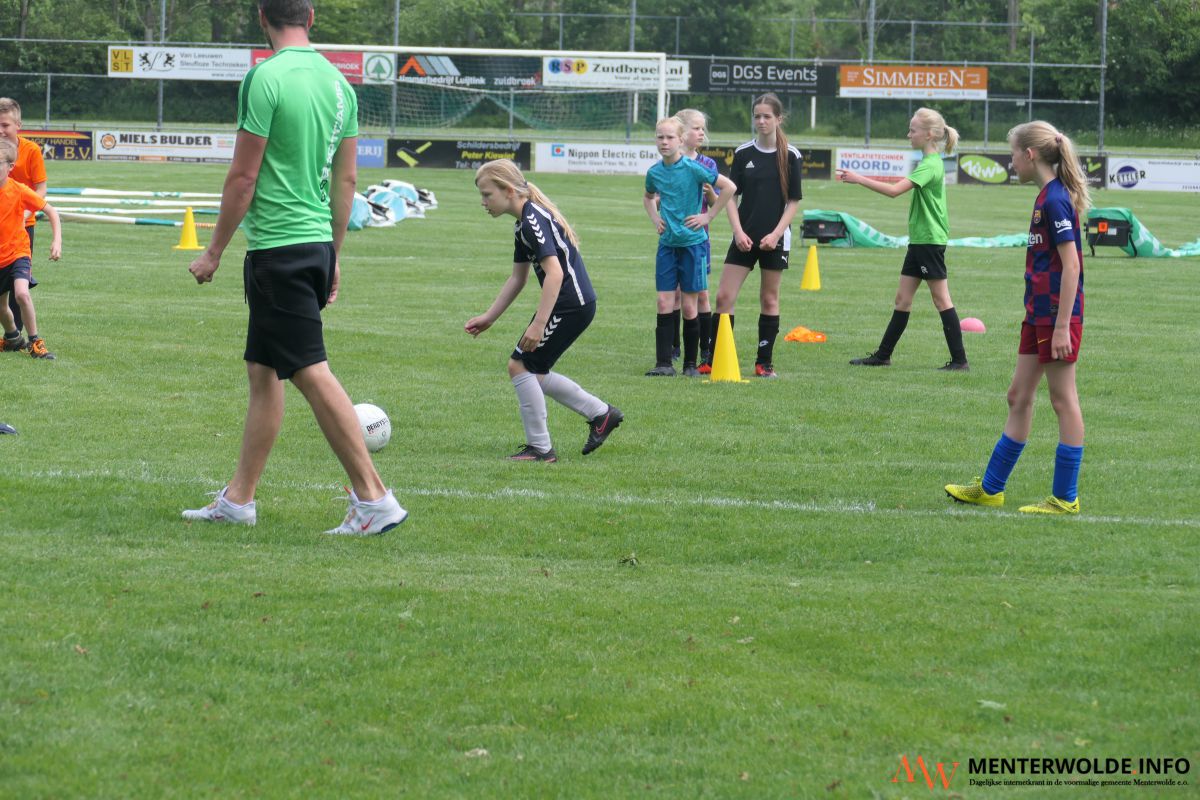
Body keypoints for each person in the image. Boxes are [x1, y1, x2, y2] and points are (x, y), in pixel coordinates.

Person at [183, 0, 406, 535]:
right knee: (263, 372)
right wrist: (334, 254)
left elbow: (244, 177)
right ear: (311, 17)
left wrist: (213, 251)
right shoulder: (340, 85)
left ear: (262, 17)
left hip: (278, 252)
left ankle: (374, 498)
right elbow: (347, 182)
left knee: (309, 370)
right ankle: (238, 501)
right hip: (312, 247)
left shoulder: (265, 78)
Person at [945, 121, 1089, 515]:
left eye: (1012, 154)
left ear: (1030, 154)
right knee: (1018, 396)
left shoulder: (1056, 199)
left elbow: (1072, 266)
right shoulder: (1045, 197)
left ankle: (1065, 498)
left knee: (1063, 399)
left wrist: (1062, 326)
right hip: (1037, 314)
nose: (1011, 162)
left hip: (1056, 318)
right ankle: (991, 489)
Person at [466, 159, 623, 462]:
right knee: (531, 372)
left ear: (508, 190)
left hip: (569, 305)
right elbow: (518, 278)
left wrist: (538, 325)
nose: (483, 202)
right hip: (571, 305)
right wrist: (489, 317)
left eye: (487, 195)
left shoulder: (531, 221)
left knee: (520, 366)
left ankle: (540, 448)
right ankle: (601, 414)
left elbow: (555, 273)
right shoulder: (522, 223)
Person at [839, 107, 969, 371]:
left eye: (912, 130)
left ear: (929, 134)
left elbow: (894, 191)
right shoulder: (929, 162)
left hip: (929, 241)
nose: (908, 134)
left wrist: (858, 178)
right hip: (920, 241)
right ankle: (883, 355)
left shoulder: (930, 165)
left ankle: (960, 361)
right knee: (903, 299)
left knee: (941, 300)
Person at [712, 93, 802, 378]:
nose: (761, 121)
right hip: (744, 238)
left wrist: (776, 234)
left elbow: (793, 202)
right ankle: (716, 359)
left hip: (775, 240)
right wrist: (738, 231)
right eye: (757, 116)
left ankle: (764, 363)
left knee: (769, 299)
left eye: (767, 116)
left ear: (778, 119)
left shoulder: (791, 155)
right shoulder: (743, 153)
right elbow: (730, 195)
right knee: (724, 297)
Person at [644, 117, 736, 377]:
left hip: (693, 246)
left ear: (680, 140)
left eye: (669, 137)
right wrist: (655, 218)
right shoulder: (654, 172)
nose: (664, 142)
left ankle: (690, 365)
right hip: (667, 246)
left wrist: (708, 216)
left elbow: (729, 187)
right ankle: (664, 364)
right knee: (664, 301)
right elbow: (648, 197)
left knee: (689, 306)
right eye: (660, 137)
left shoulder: (694, 168)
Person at [0, 138, 61, 360]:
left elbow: (51, 211)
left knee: (22, 294)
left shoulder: (19, 190)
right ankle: (13, 338)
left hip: (18, 252)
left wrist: (57, 241)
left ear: (10, 167)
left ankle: (35, 342)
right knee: (2, 308)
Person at [674, 108, 721, 372]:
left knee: (702, 293)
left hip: (698, 240)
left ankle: (705, 348)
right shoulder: (671, 162)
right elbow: (656, 197)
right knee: (674, 294)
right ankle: (673, 347)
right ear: (681, 132)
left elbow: (715, 201)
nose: (701, 133)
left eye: (703, 128)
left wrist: (709, 192)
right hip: (673, 238)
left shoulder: (708, 165)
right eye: (696, 128)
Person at [0, 98, 47, 342]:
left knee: (19, 283)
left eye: (5, 125)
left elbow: (41, 189)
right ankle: (12, 335)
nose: (1, 130)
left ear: (18, 125)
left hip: (22, 227)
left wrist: (25, 214)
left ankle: (22, 334)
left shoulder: (31, 151)